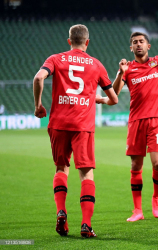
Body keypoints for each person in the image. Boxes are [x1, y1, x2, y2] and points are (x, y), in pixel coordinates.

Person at [33, 24, 118, 238]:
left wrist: (38, 105)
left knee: (61, 168)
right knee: (86, 174)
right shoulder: (96, 65)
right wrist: (98, 99)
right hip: (83, 126)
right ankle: (86, 225)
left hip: (58, 124)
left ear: (69, 41)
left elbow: (38, 78)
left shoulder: (55, 59)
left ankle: (61, 212)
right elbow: (114, 99)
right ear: (87, 42)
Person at [112, 28, 158, 222]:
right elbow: (115, 93)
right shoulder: (127, 68)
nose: (138, 44)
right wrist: (121, 73)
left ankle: (157, 197)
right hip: (136, 121)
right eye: (135, 42)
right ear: (131, 47)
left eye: (141, 41)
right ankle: (137, 210)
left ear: (148, 45)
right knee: (136, 165)